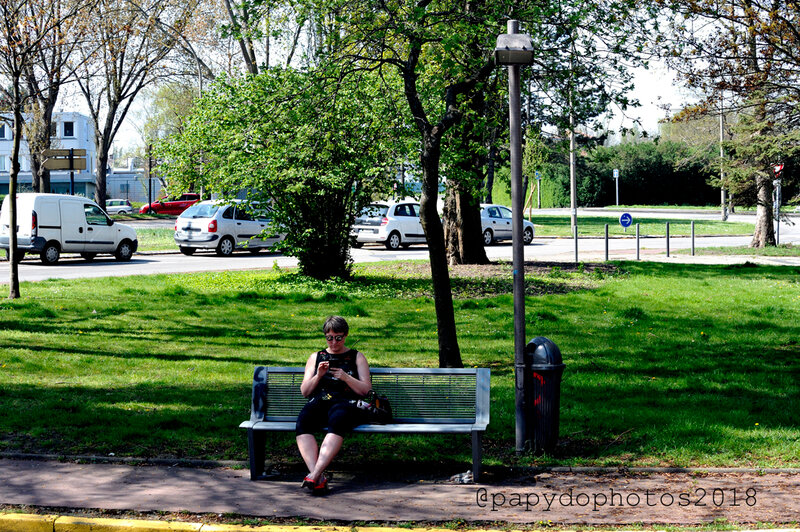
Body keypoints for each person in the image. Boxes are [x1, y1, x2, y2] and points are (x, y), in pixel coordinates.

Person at [295, 316, 371, 493]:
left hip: (347, 404)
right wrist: (319, 375)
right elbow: (305, 391)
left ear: (346, 336)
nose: (334, 342)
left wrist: (346, 377)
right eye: (329, 337)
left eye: (338, 337)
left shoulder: (357, 357)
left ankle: (314, 476)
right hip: (321, 402)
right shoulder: (316, 357)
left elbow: (366, 390)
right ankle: (318, 476)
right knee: (303, 422)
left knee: (338, 419)